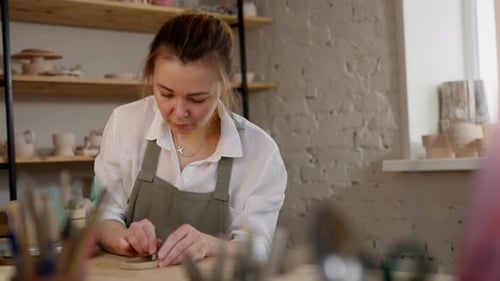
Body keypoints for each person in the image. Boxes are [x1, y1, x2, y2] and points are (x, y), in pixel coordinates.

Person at [94, 12, 287, 267]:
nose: (179, 112)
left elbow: (257, 247)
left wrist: (210, 245)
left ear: (224, 84)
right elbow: (102, 214)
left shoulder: (260, 152)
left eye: (197, 99)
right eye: (165, 93)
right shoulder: (126, 124)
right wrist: (122, 238)